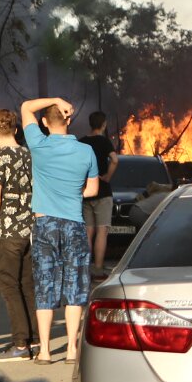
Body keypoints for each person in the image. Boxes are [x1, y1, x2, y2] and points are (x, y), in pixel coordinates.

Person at [20, 96, 100, 363]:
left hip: (45, 224)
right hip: (75, 224)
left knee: (45, 284)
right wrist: (72, 194)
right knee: (75, 287)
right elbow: (93, 190)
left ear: (44, 122)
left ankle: (44, 350)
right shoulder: (86, 151)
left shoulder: (38, 144)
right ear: (68, 119)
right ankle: (72, 349)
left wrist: (55, 99)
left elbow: (25, 107)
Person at [0, 108, 39, 360]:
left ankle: (20, 343)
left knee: (9, 287)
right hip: (29, 229)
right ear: (16, 130)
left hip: (6, 231)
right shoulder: (30, 155)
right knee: (28, 286)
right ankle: (36, 339)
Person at [77, 111, 120, 274]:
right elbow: (115, 160)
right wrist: (107, 176)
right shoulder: (105, 142)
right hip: (102, 191)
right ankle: (99, 267)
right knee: (102, 230)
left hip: (86, 191)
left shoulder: (82, 143)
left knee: (88, 231)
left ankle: (85, 268)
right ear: (103, 124)